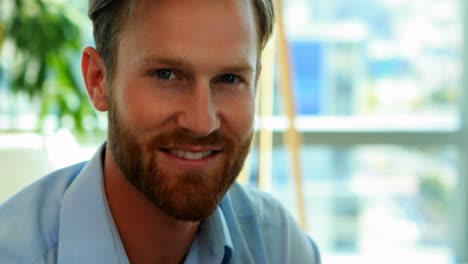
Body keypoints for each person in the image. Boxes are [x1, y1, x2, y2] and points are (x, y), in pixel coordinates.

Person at [0, 0, 321, 263]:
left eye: (230, 79)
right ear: (99, 80)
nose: (201, 122)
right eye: (166, 75)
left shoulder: (277, 245)